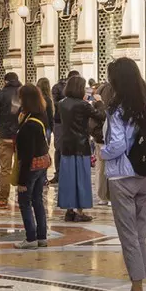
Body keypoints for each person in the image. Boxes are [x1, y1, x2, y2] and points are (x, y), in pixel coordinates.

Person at [96, 56, 146, 291]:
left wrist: (101, 152)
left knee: (128, 234)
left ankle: (136, 290)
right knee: (140, 232)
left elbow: (118, 145)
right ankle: (139, 284)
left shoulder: (117, 110)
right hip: (145, 176)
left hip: (122, 176)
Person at [13, 83, 52, 247]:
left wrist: (21, 181)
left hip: (32, 165)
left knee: (25, 201)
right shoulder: (40, 114)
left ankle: (30, 238)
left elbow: (27, 154)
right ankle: (42, 236)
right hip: (42, 162)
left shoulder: (30, 124)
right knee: (37, 200)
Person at [55, 74, 96, 222]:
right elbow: (100, 116)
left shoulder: (61, 103)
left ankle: (69, 210)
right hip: (81, 145)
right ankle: (80, 211)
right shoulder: (83, 105)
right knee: (81, 178)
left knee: (68, 179)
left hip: (66, 145)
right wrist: (99, 103)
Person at [0, 72, 23, 209]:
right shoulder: (23, 93)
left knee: (5, 169)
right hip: (21, 135)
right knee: (22, 167)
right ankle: (23, 198)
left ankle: (3, 198)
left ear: (5, 81)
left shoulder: (0, 94)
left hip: (5, 135)